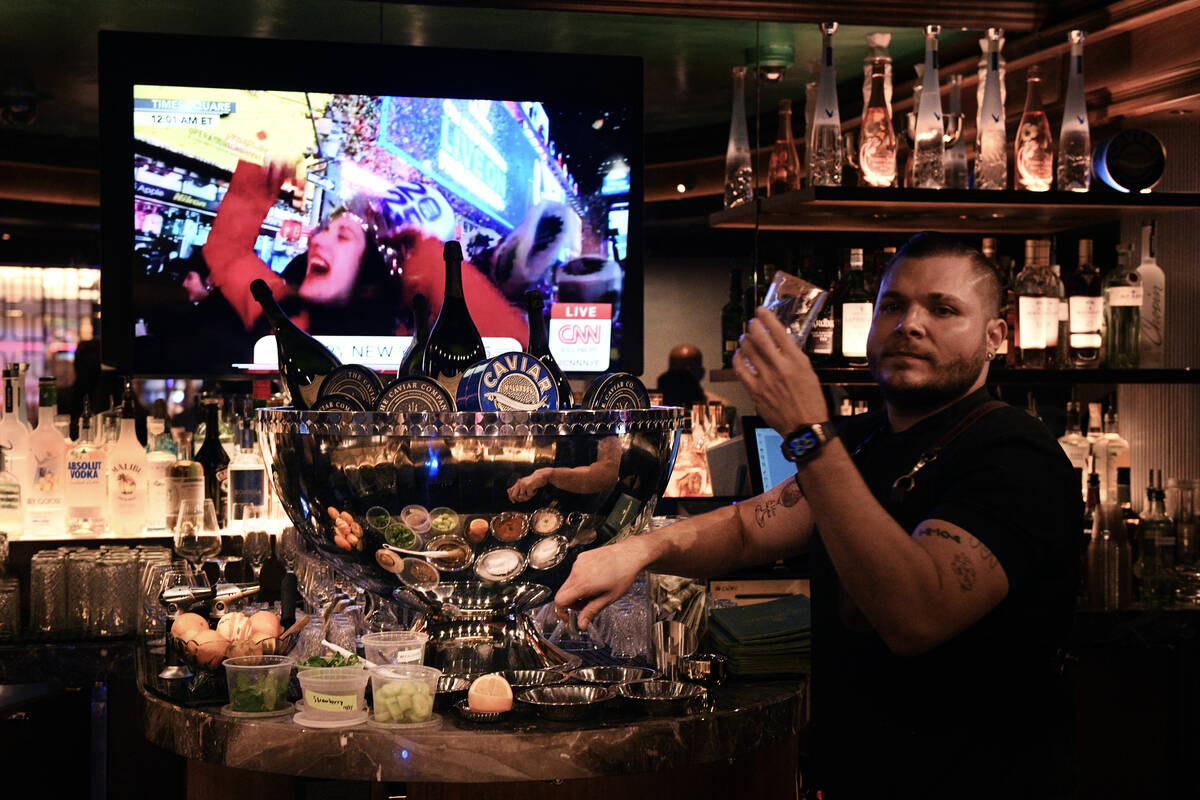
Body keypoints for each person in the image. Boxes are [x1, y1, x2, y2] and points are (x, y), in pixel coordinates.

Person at [556, 233, 1080, 799]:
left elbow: (916, 616)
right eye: (893, 305)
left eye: (943, 308)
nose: (910, 324)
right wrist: (640, 548)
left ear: (995, 335)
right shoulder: (864, 441)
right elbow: (745, 527)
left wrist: (809, 434)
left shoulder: (1015, 455)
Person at [202, 159, 528, 350]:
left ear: (372, 271)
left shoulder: (418, 352)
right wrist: (260, 178)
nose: (317, 241)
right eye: (324, 230)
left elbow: (517, 354)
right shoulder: (280, 313)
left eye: (344, 235)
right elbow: (228, 253)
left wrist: (426, 256)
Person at [655, 343, 727, 409]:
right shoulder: (655, 406)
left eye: (686, 374)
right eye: (677, 373)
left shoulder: (721, 407)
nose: (681, 380)